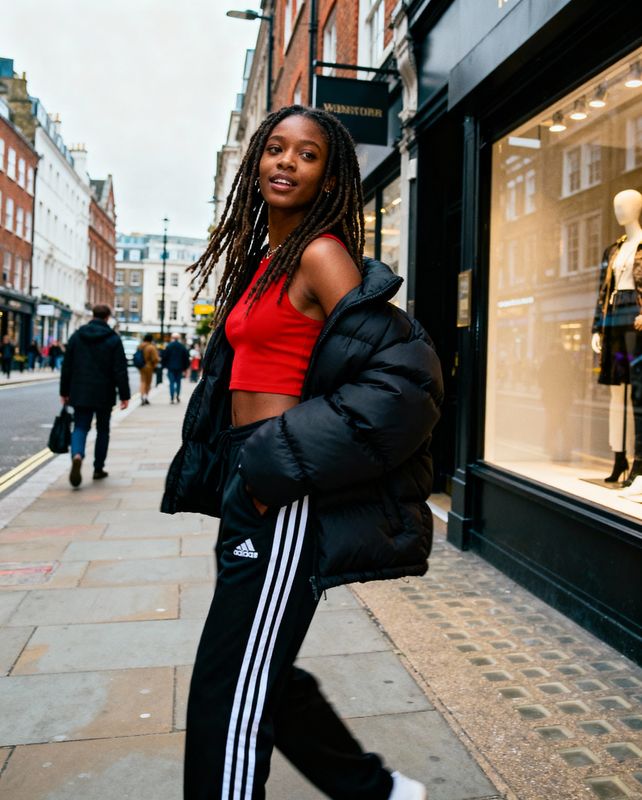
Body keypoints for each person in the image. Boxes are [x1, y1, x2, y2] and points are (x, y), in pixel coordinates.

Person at [162, 106, 443, 800]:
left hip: (282, 485)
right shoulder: (266, 261)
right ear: (256, 161)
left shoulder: (322, 255)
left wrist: (275, 463)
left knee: (230, 690)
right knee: (256, 666)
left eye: (308, 154)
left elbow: (403, 377)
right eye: (276, 148)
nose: (287, 162)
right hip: (250, 475)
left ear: (328, 176)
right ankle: (373, 791)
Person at [60, 304, 130, 487]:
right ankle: (98, 468)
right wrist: (124, 395)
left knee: (81, 426)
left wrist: (64, 392)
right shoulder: (113, 339)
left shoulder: (76, 336)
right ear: (107, 317)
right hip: (104, 392)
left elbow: (66, 367)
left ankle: (77, 455)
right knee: (103, 430)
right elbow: (120, 370)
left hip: (80, 390)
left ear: (93, 315)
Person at [162, 332, 190, 403]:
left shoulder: (169, 346)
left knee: (171, 382)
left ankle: (172, 398)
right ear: (178, 338)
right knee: (178, 382)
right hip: (180, 367)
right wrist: (185, 368)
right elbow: (186, 357)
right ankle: (177, 396)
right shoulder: (182, 346)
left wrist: (164, 366)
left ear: (172, 338)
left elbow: (164, 356)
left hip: (171, 367)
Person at [137, 333, 159, 405]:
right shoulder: (151, 347)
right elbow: (155, 358)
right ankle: (146, 397)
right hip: (149, 367)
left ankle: (142, 396)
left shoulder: (140, 346)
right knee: (148, 383)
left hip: (141, 366)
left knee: (142, 381)